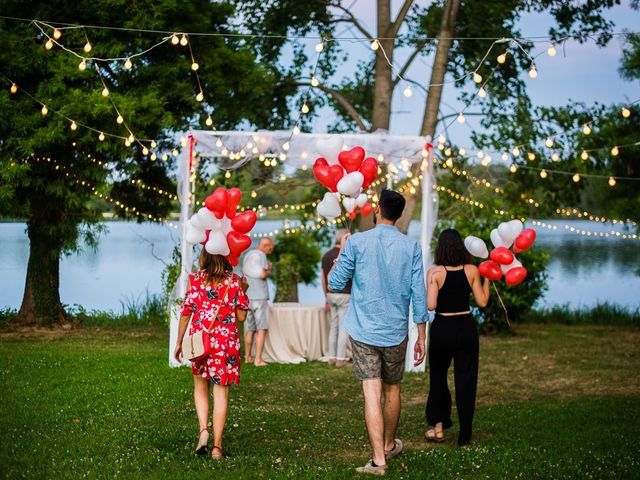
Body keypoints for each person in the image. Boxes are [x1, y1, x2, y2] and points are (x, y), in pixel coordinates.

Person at [329, 189, 428, 476]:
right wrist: (422, 333)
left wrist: (341, 258)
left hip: (363, 329)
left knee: (371, 391)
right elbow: (418, 294)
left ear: (377, 211)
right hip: (396, 330)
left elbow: (336, 282)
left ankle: (379, 460)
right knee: (392, 388)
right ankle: (387, 445)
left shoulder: (357, 242)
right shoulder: (411, 248)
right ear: (397, 216)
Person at [174, 250, 250, 459]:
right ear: (226, 257)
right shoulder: (234, 281)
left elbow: (186, 312)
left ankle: (203, 431)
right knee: (221, 394)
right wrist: (243, 291)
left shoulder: (195, 280)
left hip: (200, 342)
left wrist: (179, 342)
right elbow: (241, 317)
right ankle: (217, 448)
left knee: (200, 387)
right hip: (225, 344)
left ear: (205, 258)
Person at [424, 228, 490, 446]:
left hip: (443, 327)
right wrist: (488, 280)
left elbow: (431, 305)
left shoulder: (434, 272)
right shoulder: (472, 269)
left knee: (439, 379)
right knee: (466, 380)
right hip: (465, 327)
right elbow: (482, 302)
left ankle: (439, 428)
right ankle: (465, 435)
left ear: (440, 248)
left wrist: (431, 285)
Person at [321, 228, 352, 367]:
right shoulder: (348, 255)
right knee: (343, 326)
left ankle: (331, 357)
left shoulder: (326, 255)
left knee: (334, 326)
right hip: (345, 294)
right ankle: (341, 358)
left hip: (331, 294)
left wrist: (325, 297)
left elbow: (323, 278)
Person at [241, 237, 275, 367]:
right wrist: (269, 270)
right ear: (265, 246)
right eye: (270, 248)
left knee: (249, 328)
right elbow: (262, 274)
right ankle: (258, 359)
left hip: (248, 297)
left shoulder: (248, 255)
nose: (270, 251)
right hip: (260, 297)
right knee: (261, 329)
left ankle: (248, 356)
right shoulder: (261, 256)